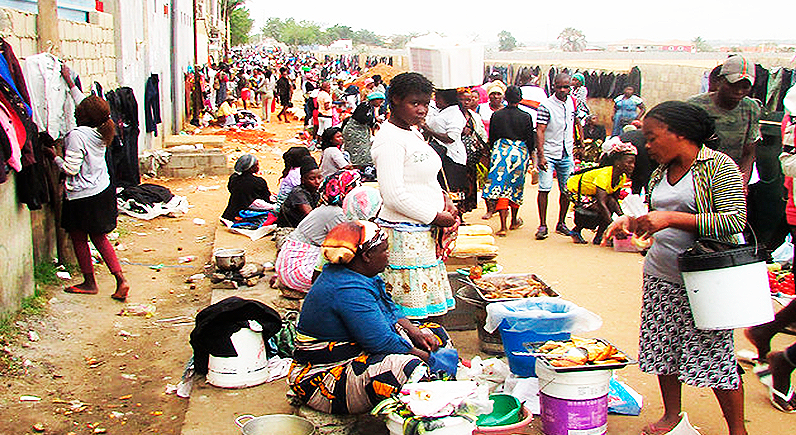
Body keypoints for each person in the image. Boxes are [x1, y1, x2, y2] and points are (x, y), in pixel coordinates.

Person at [604, 101, 748, 435]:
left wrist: (671, 218)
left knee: (717, 354)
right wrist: (630, 221)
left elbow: (734, 220)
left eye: (653, 137)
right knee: (662, 345)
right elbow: (656, 216)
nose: (648, 145)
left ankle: (737, 429)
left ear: (679, 133)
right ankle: (672, 414)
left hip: (703, 279)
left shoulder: (718, 166)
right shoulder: (660, 171)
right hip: (661, 273)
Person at [288, 220, 455, 414]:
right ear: (367, 256)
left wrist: (414, 332)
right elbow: (381, 342)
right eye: (384, 250)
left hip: (356, 353)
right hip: (323, 378)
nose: (388, 255)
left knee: (434, 334)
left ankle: (438, 381)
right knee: (409, 368)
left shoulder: (362, 274)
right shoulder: (347, 289)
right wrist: (430, 359)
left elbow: (389, 308)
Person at [371, 72, 458, 320]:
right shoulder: (390, 140)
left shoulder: (413, 132)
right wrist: (435, 217)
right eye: (415, 103)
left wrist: (445, 199)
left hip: (422, 234)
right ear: (395, 100)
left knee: (429, 309)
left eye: (426, 104)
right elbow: (394, 196)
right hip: (405, 236)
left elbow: (424, 179)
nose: (422, 110)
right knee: (414, 314)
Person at [44, 67, 130, 301]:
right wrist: (71, 83)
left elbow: (71, 169)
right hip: (102, 189)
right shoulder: (101, 128)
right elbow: (85, 103)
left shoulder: (76, 135)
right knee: (100, 237)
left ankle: (89, 282)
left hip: (82, 194)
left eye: (78, 111)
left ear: (83, 116)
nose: (75, 112)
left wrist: (53, 156)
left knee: (79, 236)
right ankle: (120, 279)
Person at [275, 170, 362, 293]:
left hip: (290, 264)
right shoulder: (336, 214)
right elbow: (349, 247)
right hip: (298, 269)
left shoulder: (329, 208)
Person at [688, 55, 761, 185]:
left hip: (731, 177)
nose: (738, 91)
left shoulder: (751, 108)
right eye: (733, 85)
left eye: (745, 87)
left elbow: (748, 153)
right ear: (720, 81)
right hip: (698, 177)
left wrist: (741, 184)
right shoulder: (696, 105)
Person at [481, 86, 534, 236]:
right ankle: (514, 220)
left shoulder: (497, 115)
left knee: (501, 188)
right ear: (520, 98)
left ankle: (503, 226)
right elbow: (530, 139)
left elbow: (492, 137)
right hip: (519, 154)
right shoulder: (526, 116)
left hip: (500, 153)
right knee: (515, 187)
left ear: (505, 98)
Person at [535, 73, 581, 240]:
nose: (563, 90)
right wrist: (541, 155)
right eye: (559, 87)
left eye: (566, 87)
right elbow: (540, 130)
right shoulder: (546, 106)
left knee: (567, 190)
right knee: (545, 188)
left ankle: (561, 223)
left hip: (566, 152)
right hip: (549, 152)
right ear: (554, 86)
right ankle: (542, 225)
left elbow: (575, 122)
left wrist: (579, 143)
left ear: (570, 87)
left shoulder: (572, 102)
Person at [567, 142, 636, 245]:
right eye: (629, 162)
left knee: (611, 203)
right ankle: (577, 230)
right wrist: (613, 226)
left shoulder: (621, 177)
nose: (632, 166)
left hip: (592, 193)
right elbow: (601, 203)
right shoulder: (604, 175)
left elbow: (614, 201)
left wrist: (623, 220)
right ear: (617, 163)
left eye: (633, 163)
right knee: (601, 208)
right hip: (575, 190)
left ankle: (599, 236)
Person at [423, 88, 468, 215]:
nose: (435, 100)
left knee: (452, 188)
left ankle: (456, 215)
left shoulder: (455, 114)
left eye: (438, 98)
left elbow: (451, 138)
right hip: (439, 155)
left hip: (452, 157)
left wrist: (428, 130)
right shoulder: (440, 112)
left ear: (446, 99)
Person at [457, 88, 488, 216]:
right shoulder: (453, 115)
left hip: (471, 158)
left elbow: (482, 134)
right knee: (458, 185)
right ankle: (458, 213)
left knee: (469, 185)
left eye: (468, 100)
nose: (466, 102)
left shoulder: (474, 116)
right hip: (457, 157)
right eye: (463, 100)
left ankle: (463, 212)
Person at [221, 154, 272, 222]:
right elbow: (266, 197)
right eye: (256, 165)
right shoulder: (259, 181)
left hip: (232, 211)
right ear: (251, 168)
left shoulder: (233, 178)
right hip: (249, 210)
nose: (258, 167)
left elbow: (231, 190)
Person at [342, 91, 384, 168]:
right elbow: (362, 118)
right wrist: (374, 119)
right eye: (380, 101)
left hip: (361, 132)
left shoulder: (370, 107)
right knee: (357, 150)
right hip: (355, 131)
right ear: (374, 99)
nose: (380, 104)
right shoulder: (364, 106)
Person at [276, 158, 323, 227]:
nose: (317, 182)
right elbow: (310, 215)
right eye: (312, 179)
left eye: (319, 178)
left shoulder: (315, 192)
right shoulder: (298, 193)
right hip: (290, 229)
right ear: (303, 180)